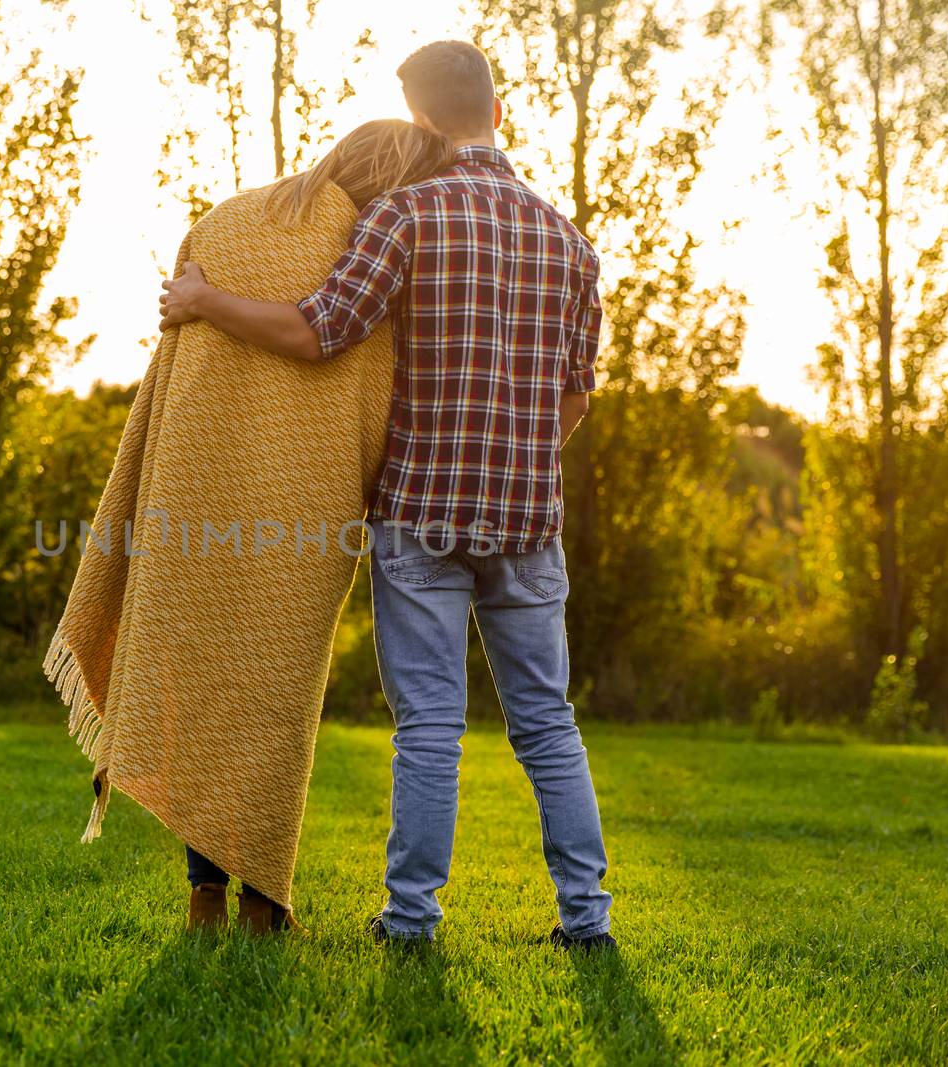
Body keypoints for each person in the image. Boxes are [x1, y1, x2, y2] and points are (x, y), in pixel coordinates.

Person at [158, 40, 617, 950]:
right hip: (528, 519)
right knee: (547, 723)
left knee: (431, 729)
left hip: (421, 511)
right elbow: (577, 391)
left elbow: (317, 331)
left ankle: (411, 921)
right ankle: (586, 921)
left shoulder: (407, 215)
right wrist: (520, 452)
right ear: (498, 110)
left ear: (419, 120)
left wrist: (204, 303)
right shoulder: (570, 241)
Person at [46, 120, 452, 935]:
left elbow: (175, 345)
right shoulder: (372, 240)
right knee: (273, 695)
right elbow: (369, 374)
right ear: (399, 179)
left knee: (200, 683)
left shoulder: (226, 218)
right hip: (303, 501)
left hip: (192, 486)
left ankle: (205, 896)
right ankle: (264, 899)